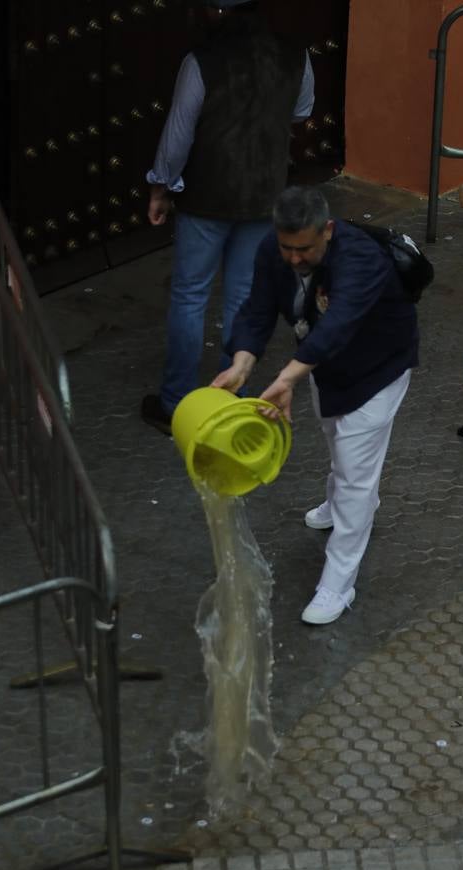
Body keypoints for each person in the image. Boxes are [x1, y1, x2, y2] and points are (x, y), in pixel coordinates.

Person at [213, 187, 418, 626]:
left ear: (327, 230)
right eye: (287, 247)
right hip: (323, 368)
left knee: (355, 474)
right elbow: (258, 307)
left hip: (377, 369)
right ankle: (341, 500)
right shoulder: (275, 248)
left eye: (303, 248)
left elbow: (339, 323)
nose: (293, 258)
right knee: (335, 443)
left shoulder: (360, 257)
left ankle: (338, 583)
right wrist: (242, 363)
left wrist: (286, 377)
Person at [140, 0, 314, 434]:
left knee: (190, 295)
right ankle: (228, 398)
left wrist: (161, 186)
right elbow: (303, 110)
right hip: (264, 194)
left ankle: (176, 401)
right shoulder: (296, 52)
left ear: (216, 12)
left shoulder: (201, 61)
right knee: (242, 298)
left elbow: (178, 136)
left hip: (207, 196)